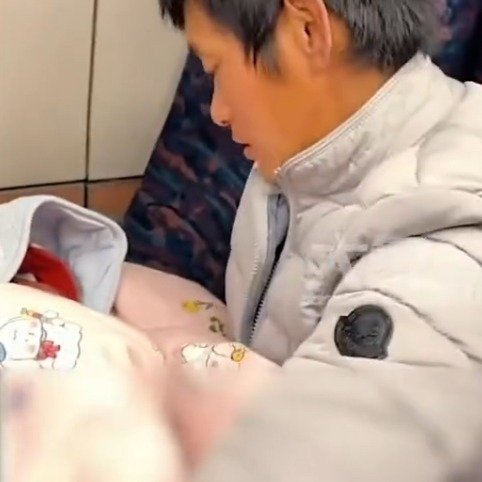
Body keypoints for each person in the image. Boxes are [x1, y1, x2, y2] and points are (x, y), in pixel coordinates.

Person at [154, 0, 482, 481]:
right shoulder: (298, 164)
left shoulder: (439, 261)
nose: (218, 111)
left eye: (216, 67)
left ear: (308, 28)